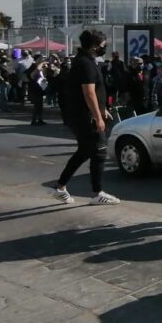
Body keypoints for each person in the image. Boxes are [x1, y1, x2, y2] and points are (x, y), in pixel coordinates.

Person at [53, 30, 120, 205]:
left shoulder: (85, 61)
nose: (104, 48)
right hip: (85, 116)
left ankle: (60, 187)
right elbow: (89, 92)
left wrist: (102, 109)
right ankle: (97, 193)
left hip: (82, 114)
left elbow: (94, 92)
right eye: (103, 45)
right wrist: (98, 117)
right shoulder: (85, 64)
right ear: (94, 46)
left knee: (84, 152)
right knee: (99, 152)